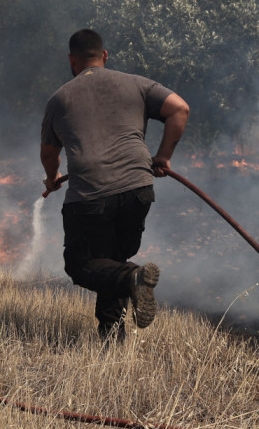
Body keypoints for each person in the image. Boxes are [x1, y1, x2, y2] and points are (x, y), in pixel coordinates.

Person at [40, 28, 189, 342]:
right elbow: (180, 109)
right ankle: (111, 338)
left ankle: (133, 278)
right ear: (104, 56)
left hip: (90, 196)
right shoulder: (136, 84)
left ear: (72, 60)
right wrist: (163, 156)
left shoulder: (59, 98)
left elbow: (50, 151)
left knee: (81, 266)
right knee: (109, 261)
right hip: (137, 191)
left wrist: (52, 178)